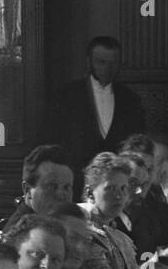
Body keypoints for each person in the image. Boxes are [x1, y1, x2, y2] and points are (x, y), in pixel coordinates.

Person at [42, 37, 146, 192]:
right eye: (101, 62)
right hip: (75, 184)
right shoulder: (66, 96)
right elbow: (50, 142)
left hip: (117, 187)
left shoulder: (131, 100)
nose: (108, 68)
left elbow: (137, 146)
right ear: (88, 62)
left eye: (114, 63)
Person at [77, 152, 157, 269]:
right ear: (90, 192)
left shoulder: (114, 228)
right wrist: (159, 261)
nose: (119, 196)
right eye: (110, 188)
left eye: (123, 188)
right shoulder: (83, 231)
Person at [117, 132, 168, 260]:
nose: (145, 176)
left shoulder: (156, 202)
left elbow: (164, 243)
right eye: (139, 168)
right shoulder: (112, 210)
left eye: (150, 169)